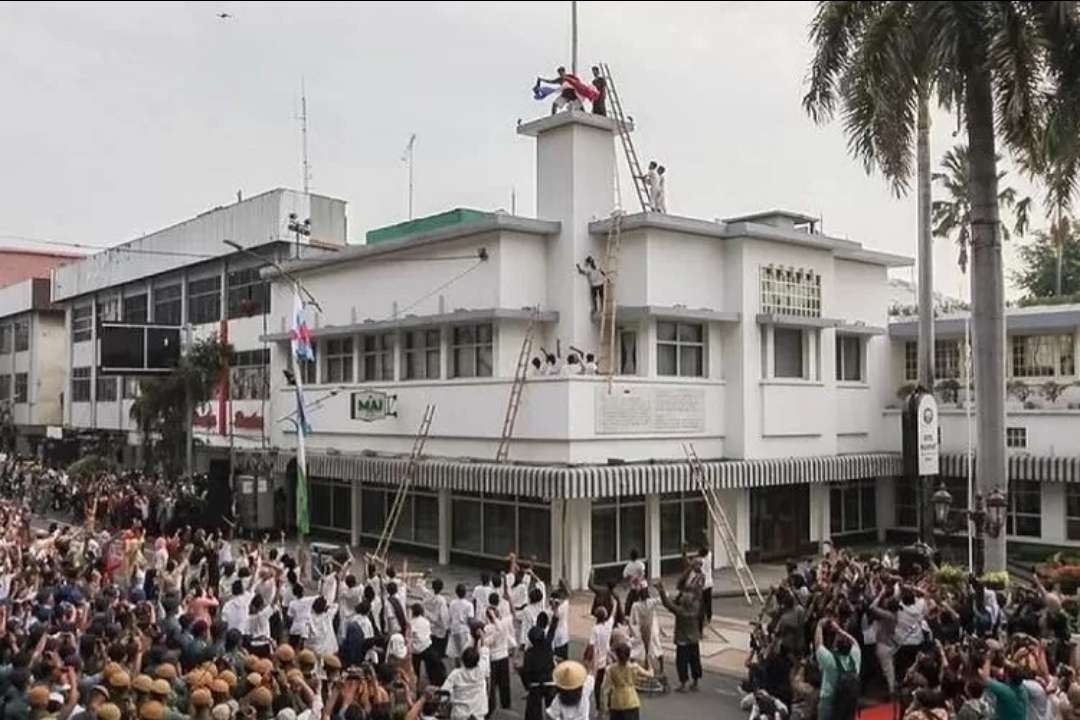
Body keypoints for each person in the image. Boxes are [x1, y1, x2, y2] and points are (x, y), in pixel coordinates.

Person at [813, 617, 862, 720]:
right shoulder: (855, 656)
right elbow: (855, 642)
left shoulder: (830, 659)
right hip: (849, 701)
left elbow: (818, 644)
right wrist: (840, 630)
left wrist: (820, 625)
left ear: (836, 647)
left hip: (829, 700)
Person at [602, 643, 651, 720]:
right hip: (632, 701)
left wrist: (605, 706)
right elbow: (649, 675)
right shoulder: (634, 667)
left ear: (616, 655)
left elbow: (605, 688)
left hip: (616, 702)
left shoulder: (610, 669)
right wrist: (650, 665)